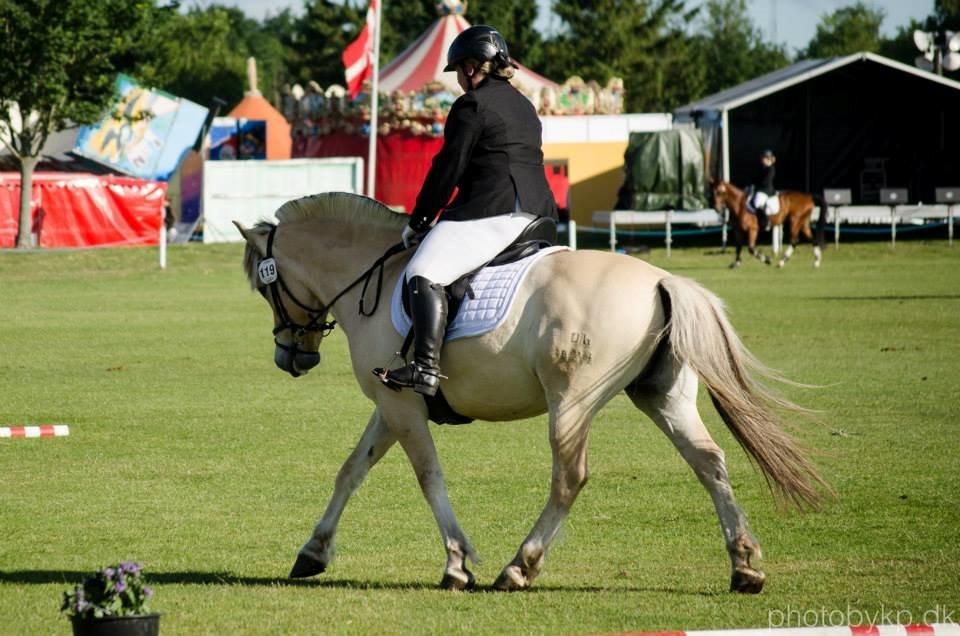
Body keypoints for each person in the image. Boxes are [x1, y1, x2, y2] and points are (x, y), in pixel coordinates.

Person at [381, 25, 558, 397]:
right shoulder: (524, 104)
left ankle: (425, 368)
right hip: (540, 215)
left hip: (493, 211)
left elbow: (449, 168)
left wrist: (421, 219)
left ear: (474, 67)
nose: (460, 80)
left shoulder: (472, 105)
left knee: (422, 270)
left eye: (461, 71)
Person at [750, 149, 776, 229]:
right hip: (760, 189)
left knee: (758, 203)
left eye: (763, 158)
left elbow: (766, 181)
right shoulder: (762, 168)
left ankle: (766, 222)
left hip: (766, 190)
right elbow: (756, 178)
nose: (762, 159)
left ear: (768, 159)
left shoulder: (771, 169)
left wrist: (757, 187)